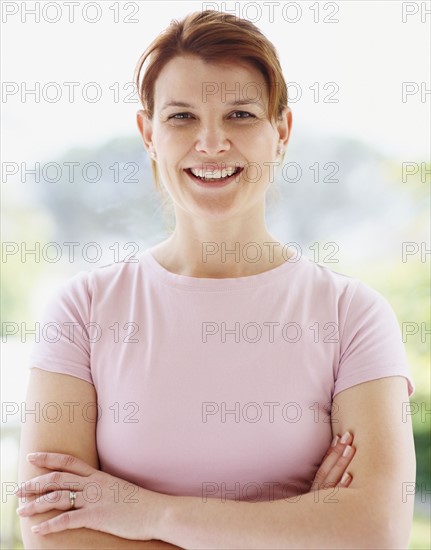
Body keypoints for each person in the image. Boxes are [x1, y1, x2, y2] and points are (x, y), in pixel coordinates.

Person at [17, 9, 415, 549]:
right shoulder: (82, 311)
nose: (210, 143)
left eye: (240, 115)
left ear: (281, 132)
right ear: (148, 134)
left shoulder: (353, 315)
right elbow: (53, 533)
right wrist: (299, 527)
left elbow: (375, 530)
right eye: (181, 117)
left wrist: (149, 514)